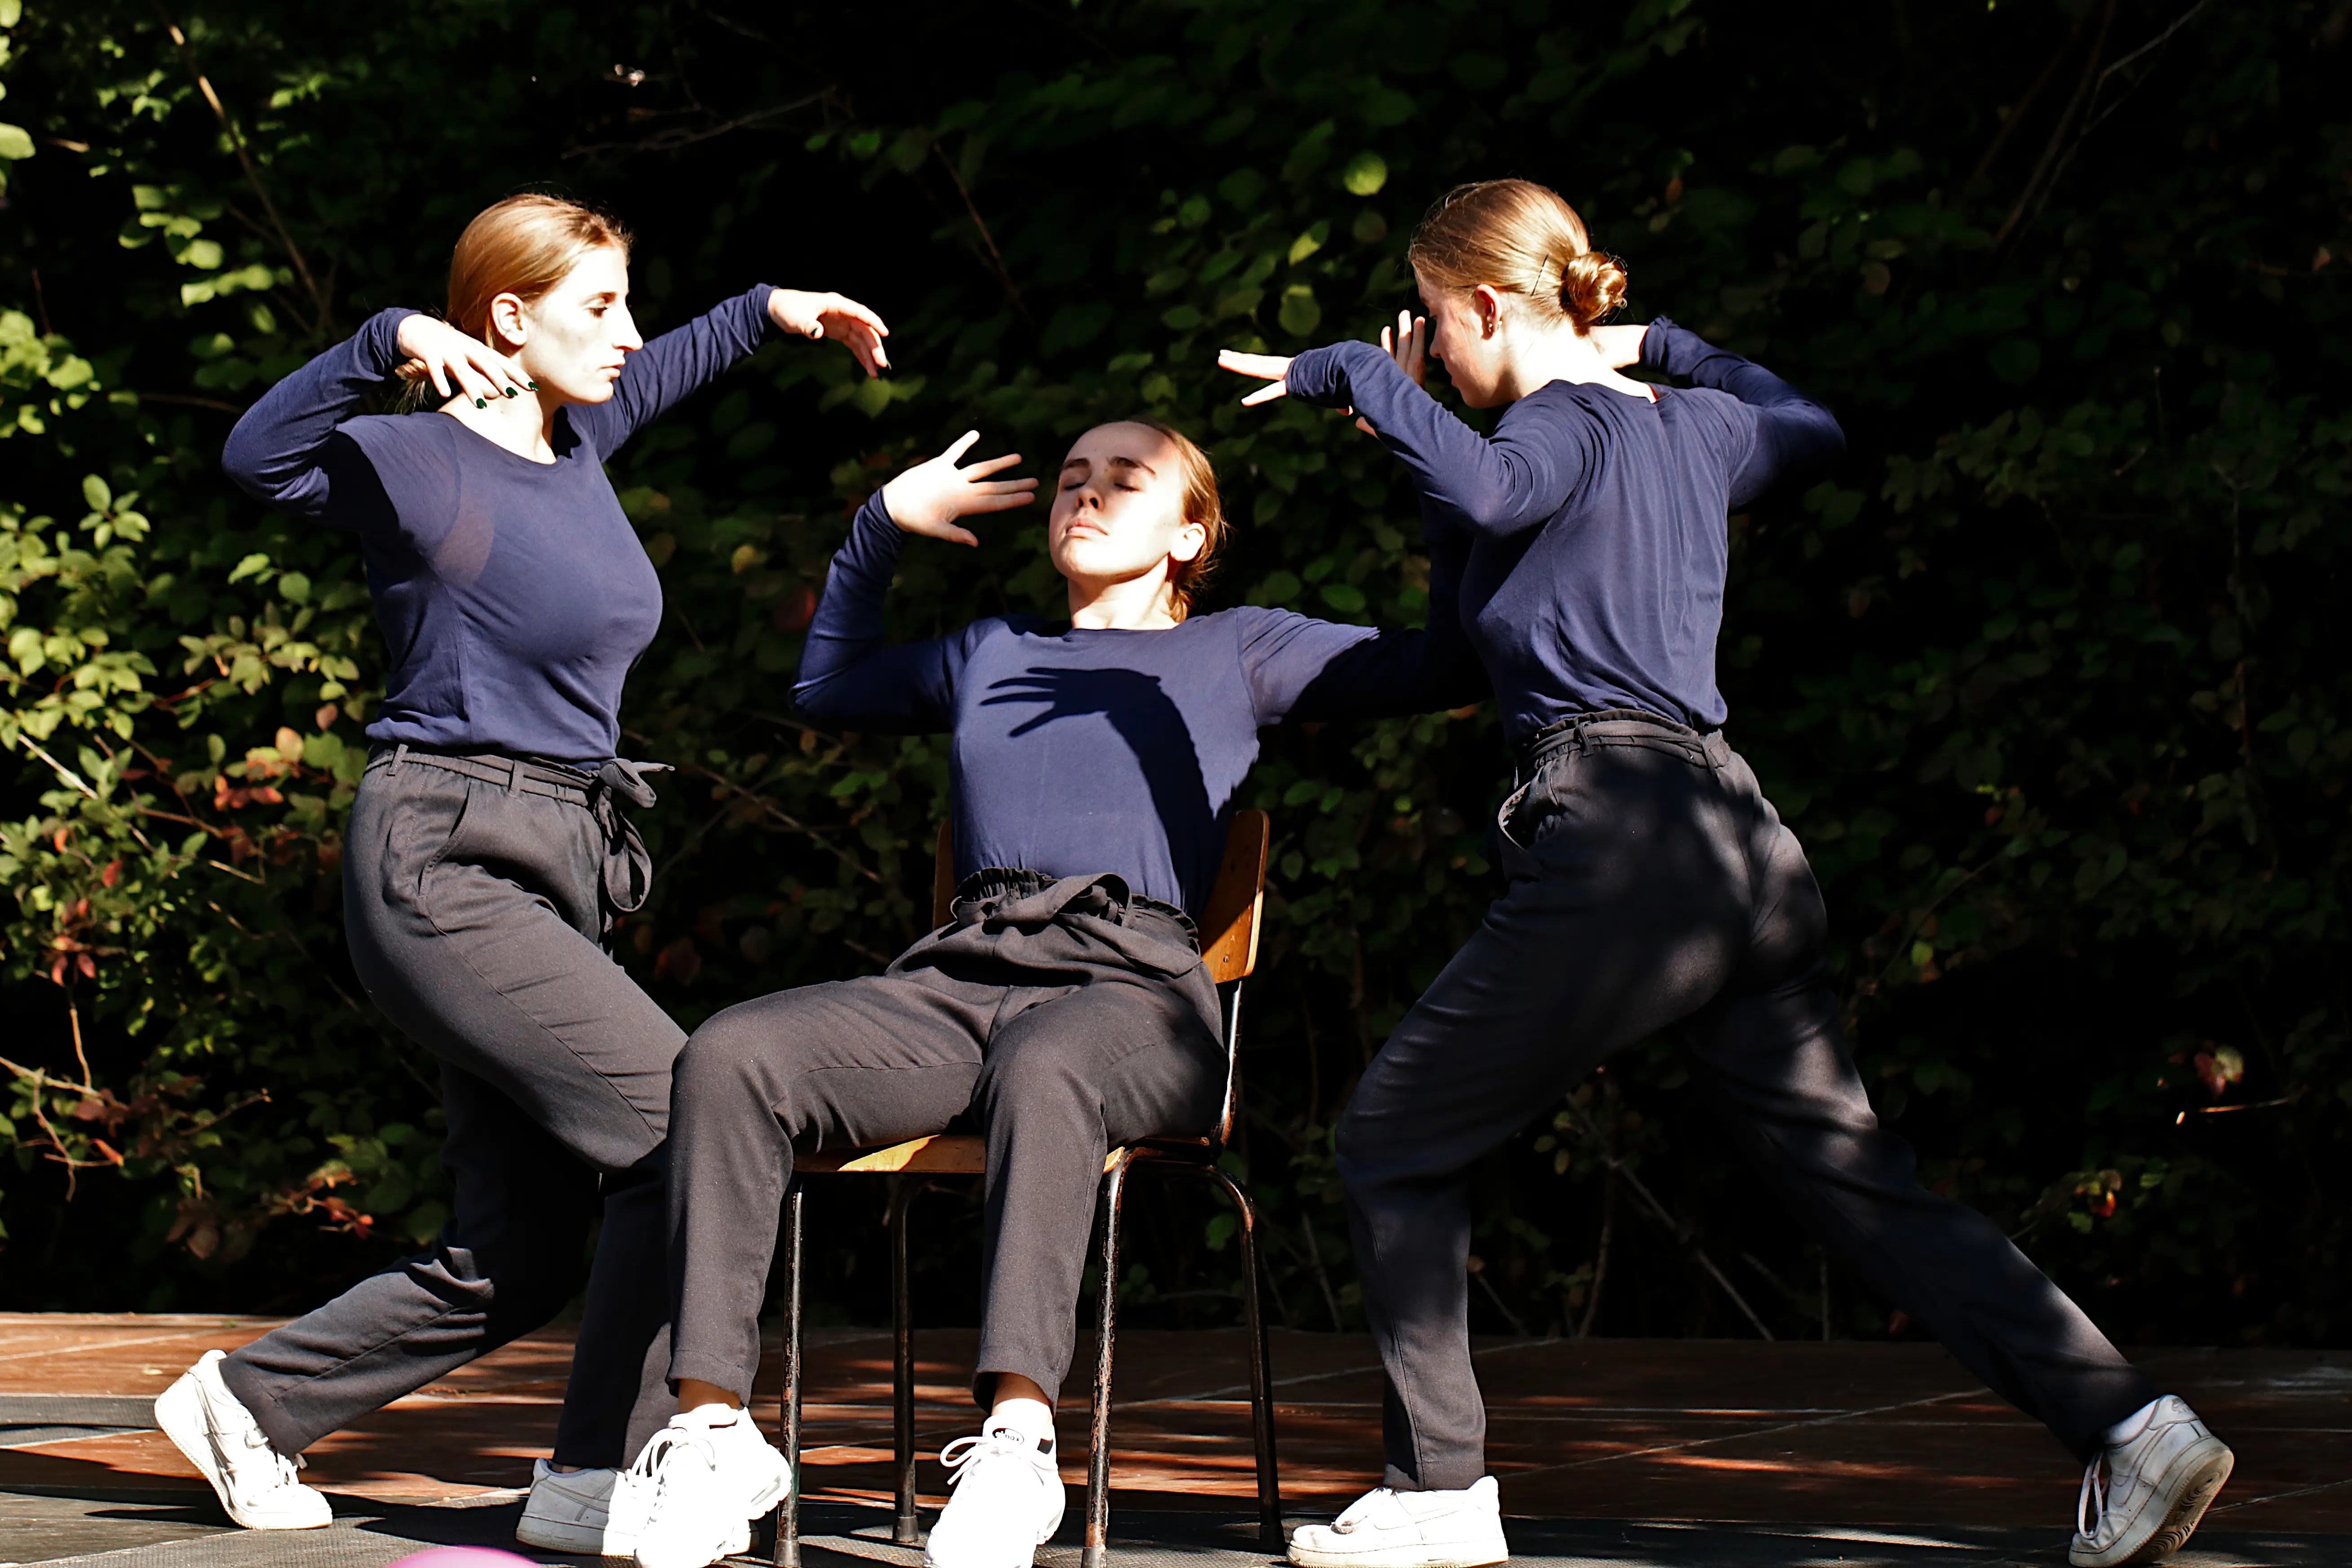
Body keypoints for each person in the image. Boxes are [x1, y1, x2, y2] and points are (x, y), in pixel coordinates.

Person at [1222, 178, 2234, 1568]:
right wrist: (1667, 345)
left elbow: (1487, 475)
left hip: (1625, 835)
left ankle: (1440, 1488)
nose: (1427, 360)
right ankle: (2131, 1424)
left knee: (1392, 1138)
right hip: (1740, 845)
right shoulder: (1681, 427)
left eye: (1429, 329)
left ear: (1478, 303)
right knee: (1852, 1173)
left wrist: (1347, 374)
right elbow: (1794, 432)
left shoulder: (1555, 423)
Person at [621, 414, 1483, 1568]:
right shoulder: (991, 648)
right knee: (729, 1051)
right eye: (1072, 476)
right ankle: (711, 1429)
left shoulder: (1236, 649)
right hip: (963, 975)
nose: (1086, 492)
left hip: (1142, 993)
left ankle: (1018, 1442)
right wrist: (881, 527)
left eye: (1126, 479)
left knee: (1049, 1062)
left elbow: (1446, 661)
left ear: (1189, 533)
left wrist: (1429, 455)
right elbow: (824, 686)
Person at [171, 194, 888, 1555]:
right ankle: (631, 1463)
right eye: (598, 308)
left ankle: (255, 1403)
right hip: (442, 856)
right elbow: (257, 457)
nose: (627, 336)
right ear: (506, 317)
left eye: (629, 305)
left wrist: (769, 311)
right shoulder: (406, 460)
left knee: (530, 1243)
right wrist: (386, 338)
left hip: (560, 862)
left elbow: (671, 358)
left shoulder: (582, 434)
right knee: (695, 1126)